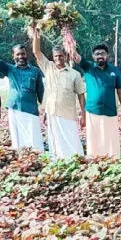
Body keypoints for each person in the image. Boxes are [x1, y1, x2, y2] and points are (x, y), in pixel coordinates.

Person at [30, 27, 86, 159]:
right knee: (55, 142)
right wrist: (36, 31)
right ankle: (58, 160)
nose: (58, 58)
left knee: (72, 139)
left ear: (65, 56)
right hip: (52, 112)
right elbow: (36, 51)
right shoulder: (48, 67)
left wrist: (83, 114)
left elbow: (81, 95)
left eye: (61, 55)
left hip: (68, 113)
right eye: (56, 56)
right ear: (53, 57)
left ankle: (76, 159)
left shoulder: (75, 74)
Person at [0, 39, 44, 152]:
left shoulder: (35, 71)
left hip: (31, 110)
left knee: (34, 138)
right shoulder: (10, 69)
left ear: (26, 54)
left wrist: (45, 109)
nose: (20, 56)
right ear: (13, 56)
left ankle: (36, 156)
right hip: (15, 108)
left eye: (22, 53)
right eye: (17, 54)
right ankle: (20, 156)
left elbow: (41, 93)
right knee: (17, 139)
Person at [66, 41, 121, 157]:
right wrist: (68, 38)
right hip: (92, 111)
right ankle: (94, 161)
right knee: (94, 142)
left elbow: (120, 91)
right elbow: (75, 56)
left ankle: (112, 161)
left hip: (110, 111)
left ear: (107, 56)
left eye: (102, 53)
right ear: (93, 56)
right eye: (97, 54)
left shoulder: (114, 70)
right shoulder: (88, 67)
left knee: (111, 142)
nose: (100, 56)